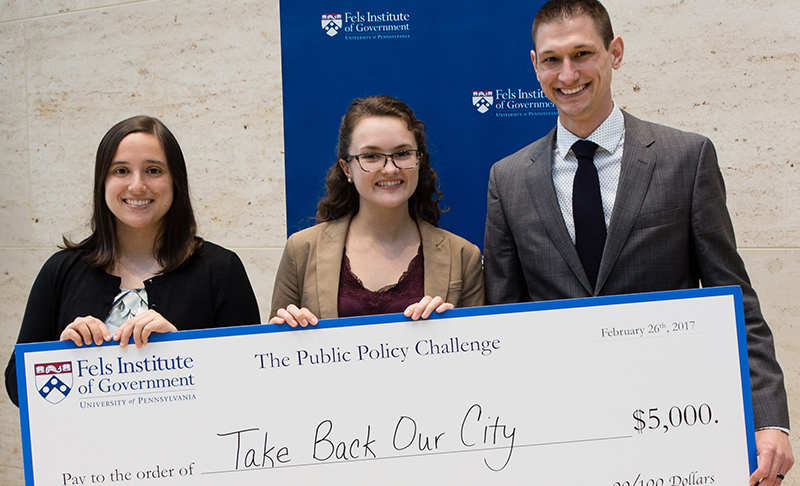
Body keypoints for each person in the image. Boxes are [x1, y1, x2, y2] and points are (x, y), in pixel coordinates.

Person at [482, 1, 793, 484]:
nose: (567, 74)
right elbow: (505, 314)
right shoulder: (508, 178)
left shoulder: (685, 158)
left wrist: (768, 419)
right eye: (551, 59)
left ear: (616, 52)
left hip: (674, 422)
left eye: (582, 53)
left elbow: (736, 300)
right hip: (562, 432)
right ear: (534, 64)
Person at [5, 115, 260, 406]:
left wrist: (181, 350)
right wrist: (59, 355)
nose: (137, 186)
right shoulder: (60, 271)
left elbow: (249, 384)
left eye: (153, 170)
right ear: (103, 181)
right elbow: (16, 389)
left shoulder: (221, 270)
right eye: (121, 170)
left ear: (175, 180)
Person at [270, 95, 483, 326]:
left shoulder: (463, 256)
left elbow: (482, 354)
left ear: (419, 160)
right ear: (347, 168)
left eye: (402, 154)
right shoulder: (301, 251)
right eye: (371, 156)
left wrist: (456, 331)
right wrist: (282, 334)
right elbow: (274, 352)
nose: (390, 169)